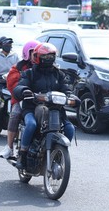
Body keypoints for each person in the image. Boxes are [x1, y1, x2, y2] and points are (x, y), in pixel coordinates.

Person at [12, 43, 74, 172]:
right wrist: (25, 91)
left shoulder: (59, 74)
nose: (49, 59)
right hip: (32, 108)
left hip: (56, 109)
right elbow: (19, 86)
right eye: (46, 57)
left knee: (70, 128)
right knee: (31, 125)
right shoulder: (29, 73)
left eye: (51, 56)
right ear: (37, 57)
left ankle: (60, 152)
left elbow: (67, 89)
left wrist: (71, 98)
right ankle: (22, 155)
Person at [0, 40, 40, 160]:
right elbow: (13, 85)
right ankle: (10, 146)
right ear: (28, 54)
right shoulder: (18, 67)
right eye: (34, 53)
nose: (37, 56)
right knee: (16, 114)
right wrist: (24, 91)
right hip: (22, 99)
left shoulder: (46, 68)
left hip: (42, 100)